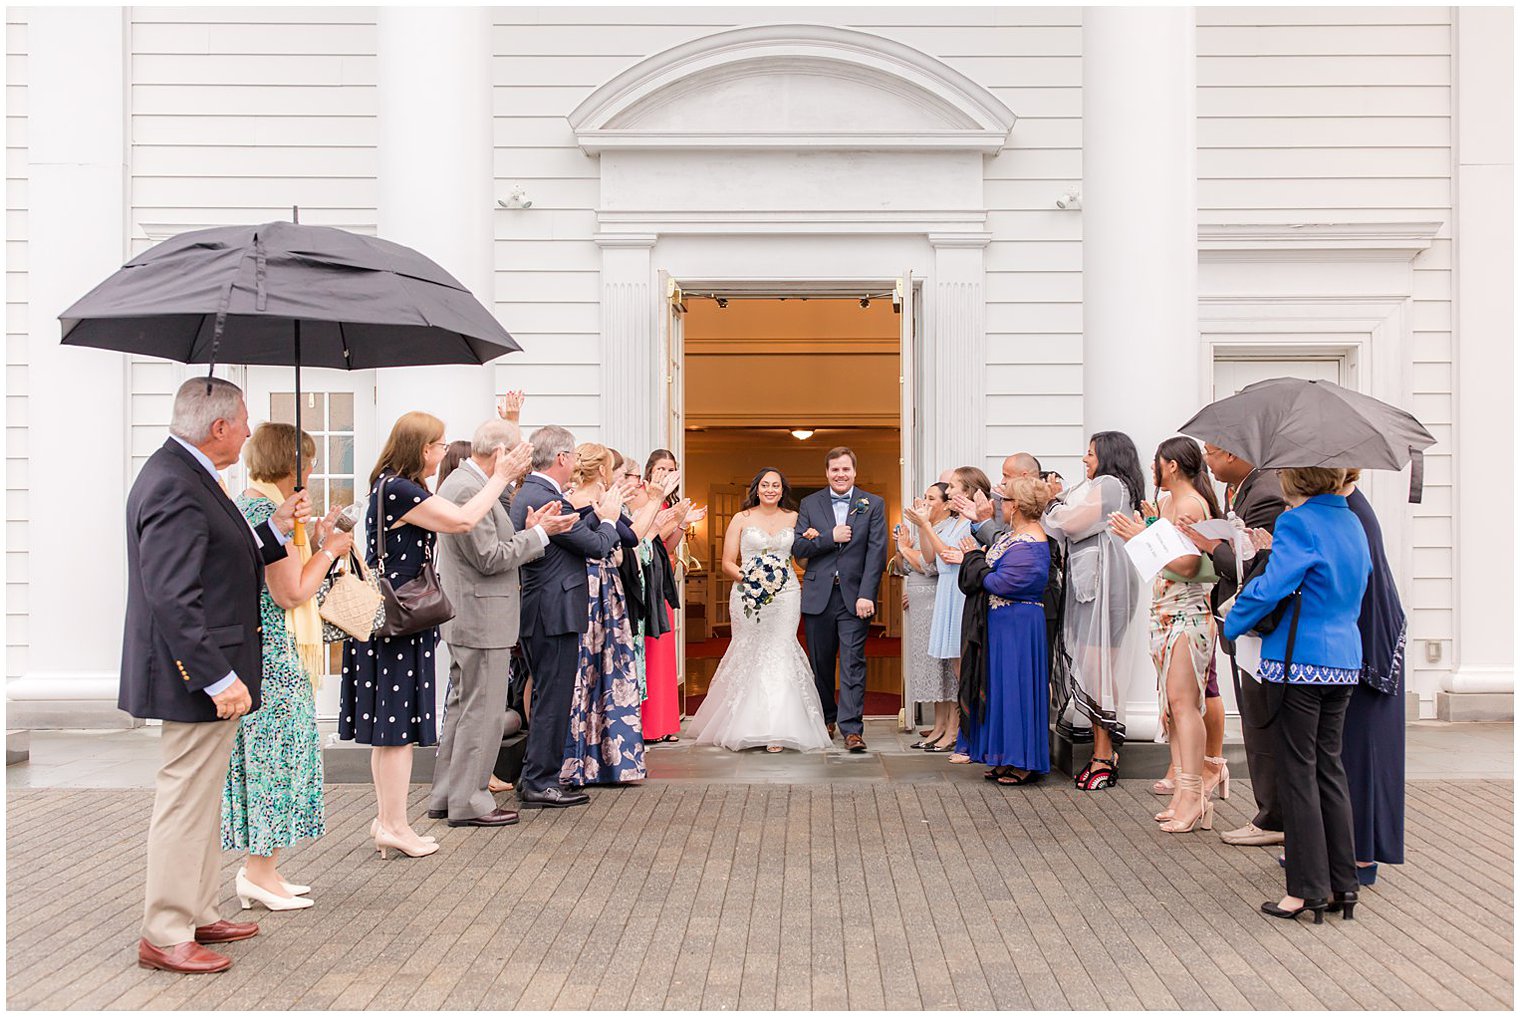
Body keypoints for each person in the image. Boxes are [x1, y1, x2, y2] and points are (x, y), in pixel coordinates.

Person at [123, 377, 305, 974]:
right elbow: (173, 596)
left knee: (202, 803)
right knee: (184, 803)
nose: (251, 431)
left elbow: (222, 552)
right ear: (220, 427)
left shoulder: (192, 473)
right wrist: (215, 676)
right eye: (245, 419)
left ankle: (198, 911)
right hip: (196, 675)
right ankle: (166, 932)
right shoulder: (176, 483)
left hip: (213, 670)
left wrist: (275, 527)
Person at [341, 411, 526, 859]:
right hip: (403, 619)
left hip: (397, 618)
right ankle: (393, 824)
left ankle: (391, 822)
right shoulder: (401, 490)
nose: (446, 453)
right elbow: (463, 521)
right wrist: (499, 478)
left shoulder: (388, 486)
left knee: (392, 732)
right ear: (423, 449)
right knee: (397, 731)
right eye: (440, 446)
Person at [1224, 466, 1371, 924]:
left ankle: (1305, 889)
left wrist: (1232, 620)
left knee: (1298, 773)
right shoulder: (1352, 520)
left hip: (1299, 661)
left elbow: (1272, 587)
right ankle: (1342, 884)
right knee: (1329, 768)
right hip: (1344, 656)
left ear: (1297, 479)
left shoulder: (1297, 522)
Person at [222, 424, 353, 912]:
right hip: (274, 657)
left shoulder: (251, 506)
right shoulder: (261, 512)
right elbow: (290, 591)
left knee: (276, 759)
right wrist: (329, 551)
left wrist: (313, 538)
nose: (314, 470)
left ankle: (266, 871)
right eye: (310, 461)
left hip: (269, 653)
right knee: (277, 761)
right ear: (291, 464)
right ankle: (258, 873)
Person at [427, 418, 573, 829]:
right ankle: (470, 801)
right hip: (480, 616)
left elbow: (492, 544)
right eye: (519, 456)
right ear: (499, 455)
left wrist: (526, 529)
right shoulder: (469, 488)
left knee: (462, 710)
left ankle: (446, 794)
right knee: (483, 714)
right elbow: (489, 558)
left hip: (473, 615)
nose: (523, 465)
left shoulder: (466, 484)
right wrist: (541, 535)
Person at [1110, 437, 1222, 832]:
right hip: (1162, 610)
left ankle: (1194, 794)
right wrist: (1149, 529)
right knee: (1171, 708)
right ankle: (1182, 791)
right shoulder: (1166, 504)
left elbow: (1189, 565)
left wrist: (1139, 536)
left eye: (1157, 463)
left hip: (1188, 612)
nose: (1153, 470)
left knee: (1184, 704)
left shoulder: (1192, 504)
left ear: (1171, 465)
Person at [510, 425, 625, 807]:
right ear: (561, 458)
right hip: (552, 611)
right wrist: (608, 518)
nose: (574, 462)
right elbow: (594, 546)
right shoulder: (545, 499)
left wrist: (592, 511)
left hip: (544, 608)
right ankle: (540, 781)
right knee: (553, 699)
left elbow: (574, 530)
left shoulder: (537, 491)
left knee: (550, 696)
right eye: (572, 456)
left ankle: (537, 775)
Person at [1181, 444, 1287, 848]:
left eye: (1212, 452)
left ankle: (1272, 815)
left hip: (1259, 626)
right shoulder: (1243, 489)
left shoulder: (1265, 493)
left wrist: (1209, 546)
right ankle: (1269, 810)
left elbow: (1254, 566)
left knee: (1260, 721)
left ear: (1234, 452)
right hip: (1242, 623)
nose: (1207, 460)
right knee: (1253, 717)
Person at [560, 443, 679, 786]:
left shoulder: (606, 502)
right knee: (587, 674)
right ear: (602, 471)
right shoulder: (578, 503)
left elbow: (631, 535)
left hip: (607, 593)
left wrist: (656, 498)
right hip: (588, 593)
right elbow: (613, 539)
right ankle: (579, 761)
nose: (619, 475)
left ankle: (607, 760)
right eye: (614, 469)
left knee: (608, 674)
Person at [689, 468, 832, 752]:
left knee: (780, 649)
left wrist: (812, 538)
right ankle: (745, 724)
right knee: (750, 649)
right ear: (756, 489)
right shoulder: (741, 519)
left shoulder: (794, 518)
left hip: (786, 594)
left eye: (775, 485)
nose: (770, 489)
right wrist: (750, 580)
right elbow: (728, 561)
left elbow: (803, 557)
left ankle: (778, 728)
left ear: (782, 490)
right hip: (747, 594)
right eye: (765, 485)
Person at [1041, 431, 1151, 790]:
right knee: (1097, 665)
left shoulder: (1109, 483)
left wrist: (1050, 503)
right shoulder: (1113, 487)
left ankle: (1104, 753)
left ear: (1106, 455)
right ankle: (1103, 750)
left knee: (1098, 665)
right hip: (1100, 583)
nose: (1085, 459)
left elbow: (1071, 523)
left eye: (1089, 453)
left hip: (1104, 585)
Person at [956, 475, 1052, 785]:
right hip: (1000, 624)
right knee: (998, 688)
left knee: (1016, 689)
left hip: (1019, 627)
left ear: (1018, 506)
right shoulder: (1015, 535)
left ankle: (1021, 760)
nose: (1000, 505)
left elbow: (1003, 583)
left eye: (1005, 501)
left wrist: (974, 558)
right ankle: (1000, 755)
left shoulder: (1031, 542)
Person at [793, 447, 888, 753]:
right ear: (827, 472)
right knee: (820, 664)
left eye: (845, 469)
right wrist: (827, 537)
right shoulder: (809, 504)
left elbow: (876, 553)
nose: (840, 474)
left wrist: (866, 594)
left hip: (853, 598)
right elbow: (798, 548)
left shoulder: (872, 504)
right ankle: (827, 718)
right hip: (818, 595)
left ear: (854, 472)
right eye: (835, 469)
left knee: (852, 662)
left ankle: (852, 729)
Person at [1339, 470, 1406, 886]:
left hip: (1368, 642)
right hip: (1360, 635)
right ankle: (1344, 848)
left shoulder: (1351, 512)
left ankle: (1361, 856)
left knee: (1361, 752)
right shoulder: (1348, 508)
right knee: (1346, 752)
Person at [906, 466, 987, 755]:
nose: (948, 491)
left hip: (959, 592)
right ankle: (955, 732)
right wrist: (923, 525)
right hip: (946, 593)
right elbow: (931, 557)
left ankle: (961, 734)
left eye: (953, 487)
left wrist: (925, 525)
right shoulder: (953, 523)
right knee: (955, 666)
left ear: (968, 491)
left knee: (962, 668)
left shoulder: (972, 524)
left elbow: (949, 557)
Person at [640, 449, 695, 744]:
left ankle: (663, 724)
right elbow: (648, 535)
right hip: (646, 578)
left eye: (671, 468)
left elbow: (669, 545)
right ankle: (647, 725)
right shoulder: (642, 497)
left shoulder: (668, 501)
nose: (665, 473)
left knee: (664, 652)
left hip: (664, 577)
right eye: (660, 468)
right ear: (650, 471)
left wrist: (682, 522)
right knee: (649, 649)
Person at [896, 484, 956, 747]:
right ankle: (939, 724)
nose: (924, 502)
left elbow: (929, 565)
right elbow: (906, 565)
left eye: (932, 499)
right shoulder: (928, 528)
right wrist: (904, 550)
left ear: (945, 504)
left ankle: (952, 729)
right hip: (920, 603)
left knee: (946, 669)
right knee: (932, 668)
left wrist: (907, 549)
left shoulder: (946, 529)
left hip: (937, 602)